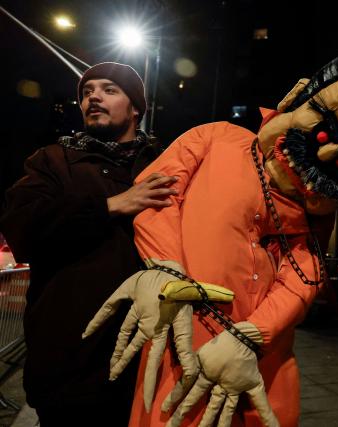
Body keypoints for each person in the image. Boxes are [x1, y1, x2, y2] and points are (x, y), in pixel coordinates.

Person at [82, 53, 338, 426]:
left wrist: (254, 335)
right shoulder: (216, 138)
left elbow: (305, 275)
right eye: (327, 127)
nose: (327, 152)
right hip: (182, 343)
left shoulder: (317, 213)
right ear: (295, 99)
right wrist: (166, 271)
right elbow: (157, 198)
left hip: (261, 363)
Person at [0, 62, 171, 426]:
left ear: (136, 107)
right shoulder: (53, 160)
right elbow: (21, 228)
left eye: (109, 89)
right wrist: (110, 206)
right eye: (87, 91)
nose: (93, 96)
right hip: (72, 363)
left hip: (151, 362)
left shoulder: (165, 165)